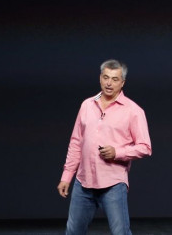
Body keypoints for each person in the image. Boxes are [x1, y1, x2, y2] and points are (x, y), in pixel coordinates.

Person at [57, 59, 152, 235]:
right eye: (106, 77)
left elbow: (145, 147)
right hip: (83, 182)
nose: (109, 83)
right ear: (100, 78)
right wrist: (66, 176)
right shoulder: (87, 105)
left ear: (122, 82)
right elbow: (76, 142)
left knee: (120, 233)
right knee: (73, 232)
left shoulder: (133, 111)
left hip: (113, 183)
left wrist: (118, 152)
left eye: (115, 79)